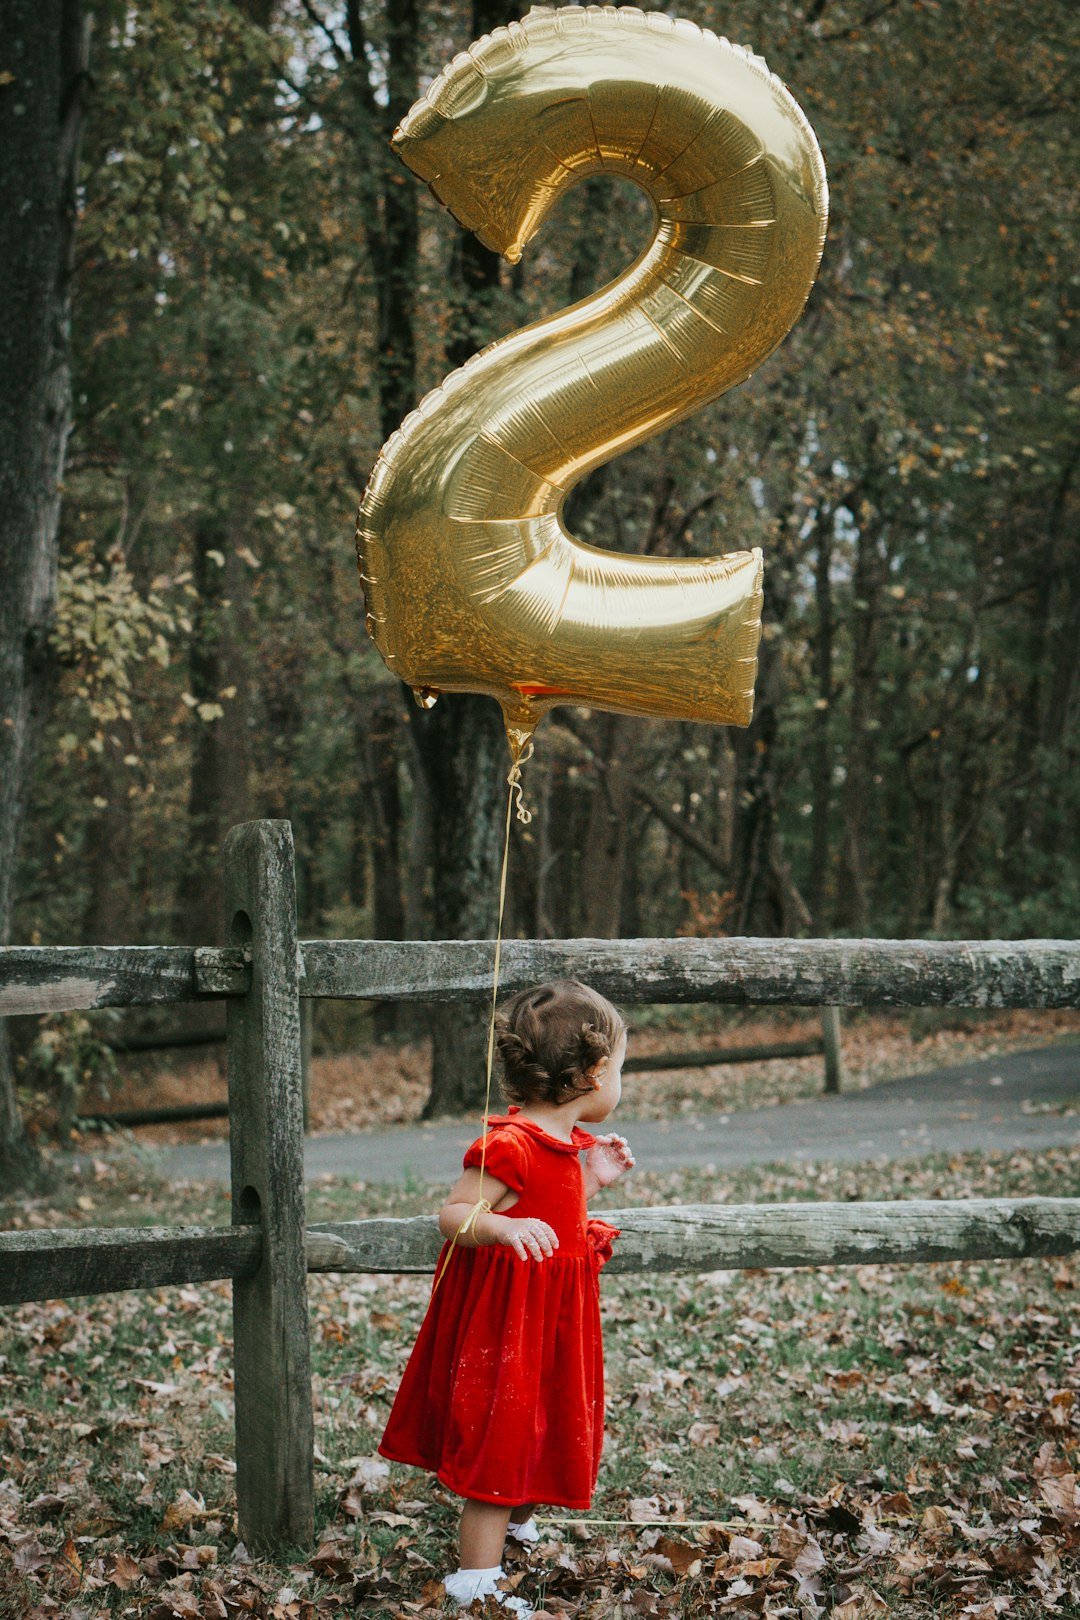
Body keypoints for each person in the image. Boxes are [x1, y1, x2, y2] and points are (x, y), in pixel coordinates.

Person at [378, 979, 636, 1616]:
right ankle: (477, 1579)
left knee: (541, 1421)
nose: (623, 1082)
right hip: (508, 1326)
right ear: (594, 1073)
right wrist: (500, 1226)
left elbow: (553, 1216)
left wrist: (590, 1181)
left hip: (551, 1324)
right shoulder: (511, 1143)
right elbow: (454, 1213)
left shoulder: (560, 1147)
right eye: (623, 1068)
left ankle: (516, 1528)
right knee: (504, 1434)